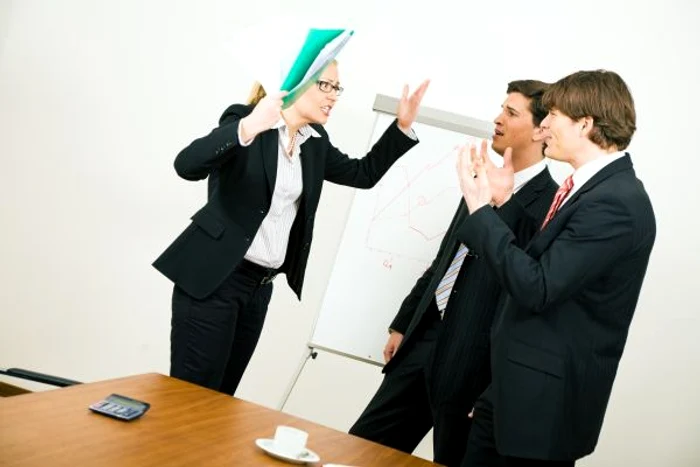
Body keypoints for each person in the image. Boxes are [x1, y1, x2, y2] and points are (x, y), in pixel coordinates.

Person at [153, 60, 430, 395]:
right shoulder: (247, 120)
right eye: (325, 85)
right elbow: (186, 165)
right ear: (295, 84)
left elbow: (363, 174)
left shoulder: (314, 141)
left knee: (220, 399)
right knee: (190, 397)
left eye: (336, 88)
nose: (333, 96)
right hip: (215, 279)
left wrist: (401, 126)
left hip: (258, 289)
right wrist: (249, 127)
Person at [349, 80, 558, 466]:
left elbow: (530, 294)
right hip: (425, 340)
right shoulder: (482, 177)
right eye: (501, 109)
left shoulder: (552, 203)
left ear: (540, 130)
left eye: (511, 113)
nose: (497, 119)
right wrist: (405, 322)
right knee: (363, 451)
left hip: (475, 364)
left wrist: (500, 384)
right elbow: (447, 258)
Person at [457, 70, 656, 466]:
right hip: (514, 392)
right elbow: (544, 261)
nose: (543, 125)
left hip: (540, 412)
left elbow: (539, 287)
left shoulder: (615, 202)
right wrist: (504, 203)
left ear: (585, 124)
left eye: (553, 115)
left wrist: (480, 211)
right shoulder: (593, 189)